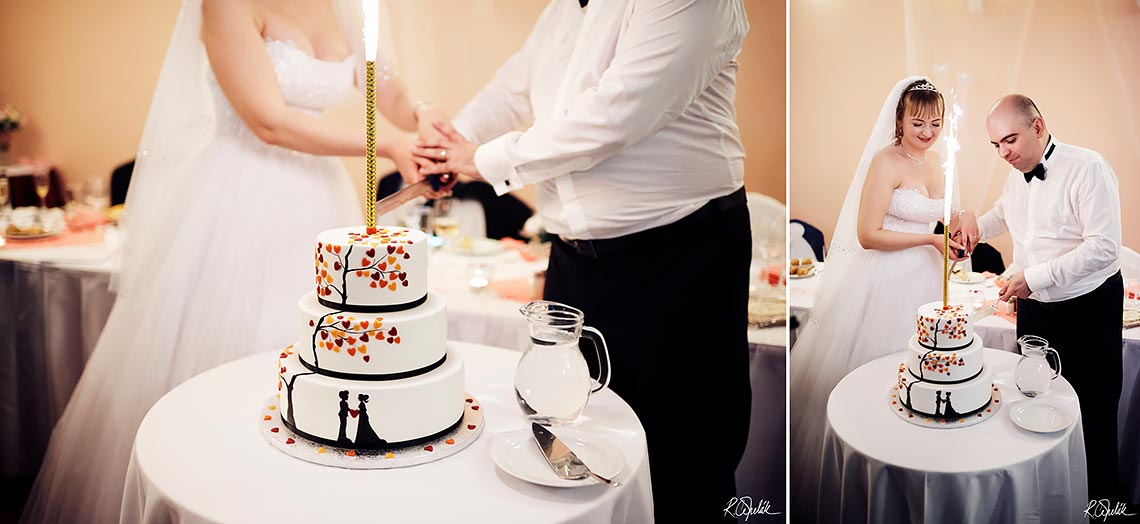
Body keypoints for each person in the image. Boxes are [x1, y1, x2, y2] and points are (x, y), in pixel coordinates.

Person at [21, 1, 442, 522]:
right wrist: (389, 146)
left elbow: (388, 87)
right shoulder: (225, 4)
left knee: (320, 356)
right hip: (243, 197)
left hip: (318, 199)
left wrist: (421, 117)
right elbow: (268, 121)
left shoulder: (345, 6)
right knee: (239, 363)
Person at [410, 0, 751, 519]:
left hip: (679, 257)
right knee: (563, 434)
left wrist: (478, 160)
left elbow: (615, 115)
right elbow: (511, 89)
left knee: (683, 455)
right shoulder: (563, 10)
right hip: (574, 264)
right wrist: (448, 142)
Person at [788, 77, 968, 521]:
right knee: (878, 382)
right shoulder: (886, 162)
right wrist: (930, 239)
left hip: (924, 280)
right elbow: (868, 235)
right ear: (901, 119)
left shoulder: (935, 165)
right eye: (919, 122)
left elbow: (943, 219)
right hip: (886, 279)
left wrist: (957, 229)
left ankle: (913, 475)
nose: (927, 131)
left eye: (936, 123)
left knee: (922, 379)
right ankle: (870, 481)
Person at [962, 94, 1123, 501]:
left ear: (1037, 126)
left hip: (1088, 308)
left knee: (1091, 412)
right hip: (1035, 309)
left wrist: (1034, 277)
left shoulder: (1088, 168)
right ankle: (1044, 501)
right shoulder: (1015, 175)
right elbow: (1003, 212)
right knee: (1033, 402)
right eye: (996, 145)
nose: (1004, 153)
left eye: (1009, 140)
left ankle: (1101, 505)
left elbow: (1104, 247)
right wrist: (972, 229)